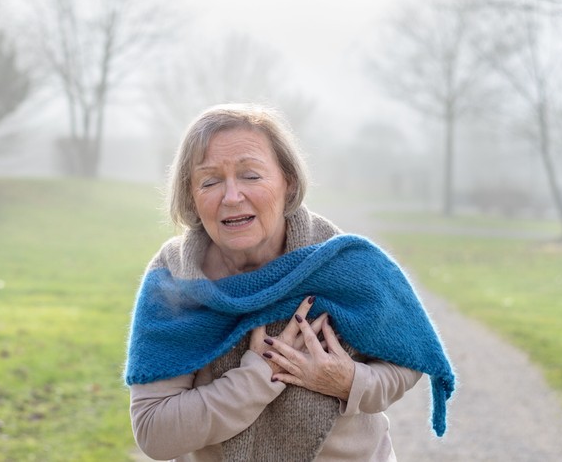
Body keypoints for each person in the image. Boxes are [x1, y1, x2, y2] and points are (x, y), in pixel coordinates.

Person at [124, 103, 455, 462]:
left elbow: (404, 365)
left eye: (251, 175)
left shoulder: (341, 264)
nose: (231, 196)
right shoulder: (175, 280)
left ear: (289, 181)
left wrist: (348, 381)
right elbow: (154, 432)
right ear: (191, 196)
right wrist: (257, 376)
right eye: (210, 181)